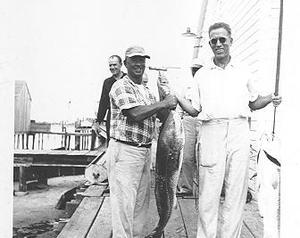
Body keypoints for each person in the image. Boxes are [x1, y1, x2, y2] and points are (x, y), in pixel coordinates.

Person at [176, 22, 282, 238]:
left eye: (222, 39)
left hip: (239, 131)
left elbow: (253, 102)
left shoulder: (243, 71)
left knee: (236, 192)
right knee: (208, 193)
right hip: (211, 130)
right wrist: (177, 98)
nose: (218, 44)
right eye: (213, 40)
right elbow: (195, 110)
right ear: (209, 44)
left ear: (231, 41)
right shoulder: (202, 75)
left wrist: (271, 98)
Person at [106, 46, 177, 238]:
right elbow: (135, 113)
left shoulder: (147, 90)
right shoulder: (120, 86)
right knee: (123, 208)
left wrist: (167, 94)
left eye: (142, 60)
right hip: (125, 151)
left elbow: (164, 114)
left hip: (144, 152)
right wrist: (164, 103)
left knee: (140, 207)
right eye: (134, 60)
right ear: (125, 63)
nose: (139, 64)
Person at [177, 60, 203, 196]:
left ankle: (204, 189)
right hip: (188, 120)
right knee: (187, 156)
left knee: (203, 157)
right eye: (193, 69)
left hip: (204, 121)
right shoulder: (186, 86)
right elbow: (180, 107)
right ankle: (186, 187)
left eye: (198, 69)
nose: (195, 71)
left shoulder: (208, 85)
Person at [91, 55, 126, 149]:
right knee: (112, 143)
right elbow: (103, 103)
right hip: (112, 117)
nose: (112, 67)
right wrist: (98, 121)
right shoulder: (107, 82)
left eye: (115, 65)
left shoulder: (127, 79)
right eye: (110, 65)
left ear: (121, 64)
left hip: (126, 114)